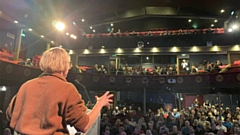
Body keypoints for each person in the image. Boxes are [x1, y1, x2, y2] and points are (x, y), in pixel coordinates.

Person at [6, 47, 113, 134]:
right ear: (64, 65)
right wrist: (99, 104)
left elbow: (10, 115)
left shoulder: (26, 86)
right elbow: (84, 126)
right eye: (69, 64)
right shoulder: (67, 89)